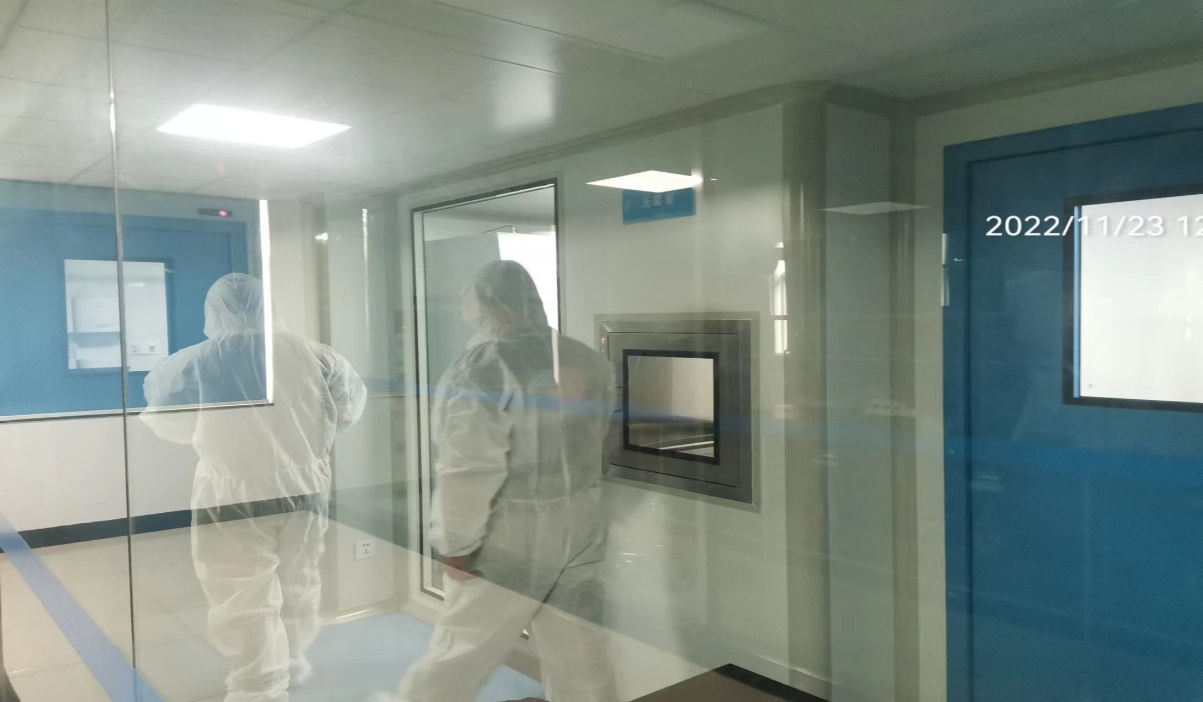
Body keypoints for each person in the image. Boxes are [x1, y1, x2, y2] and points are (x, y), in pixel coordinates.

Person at [372, 261, 617, 702]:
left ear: (487, 304)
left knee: (460, 652)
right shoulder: (584, 357)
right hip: (581, 525)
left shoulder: (484, 368)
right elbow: (599, 439)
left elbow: (466, 470)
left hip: (507, 536)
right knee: (581, 656)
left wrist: (456, 544)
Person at [141, 273, 367, 702]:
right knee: (300, 577)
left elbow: (168, 422)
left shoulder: (195, 361)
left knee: (241, 590)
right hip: (305, 487)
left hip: (233, 492)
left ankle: (258, 686)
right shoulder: (318, 356)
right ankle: (292, 659)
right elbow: (348, 410)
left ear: (213, 311)